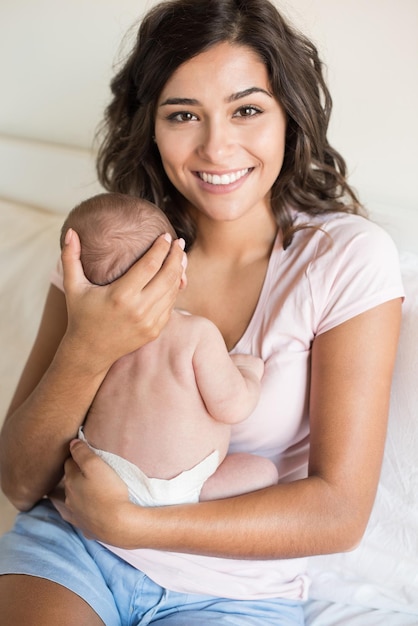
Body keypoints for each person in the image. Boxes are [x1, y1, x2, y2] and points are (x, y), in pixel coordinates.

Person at [0, 0, 404, 624]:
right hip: (76, 548)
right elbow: (21, 483)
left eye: (247, 110)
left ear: (288, 118)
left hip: (235, 591)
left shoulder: (345, 259)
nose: (217, 147)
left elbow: (337, 513)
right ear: (151, 126)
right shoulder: (109, 247)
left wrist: (133, 522)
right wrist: (88, 347)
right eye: (183, 114)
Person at [54, 191, 277, 508]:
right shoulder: (196, 334)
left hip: (103, 479)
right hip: (182, 489)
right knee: (263, 472)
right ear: (180, 273)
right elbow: (233, 406)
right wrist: (247, 373)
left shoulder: (94, 342)